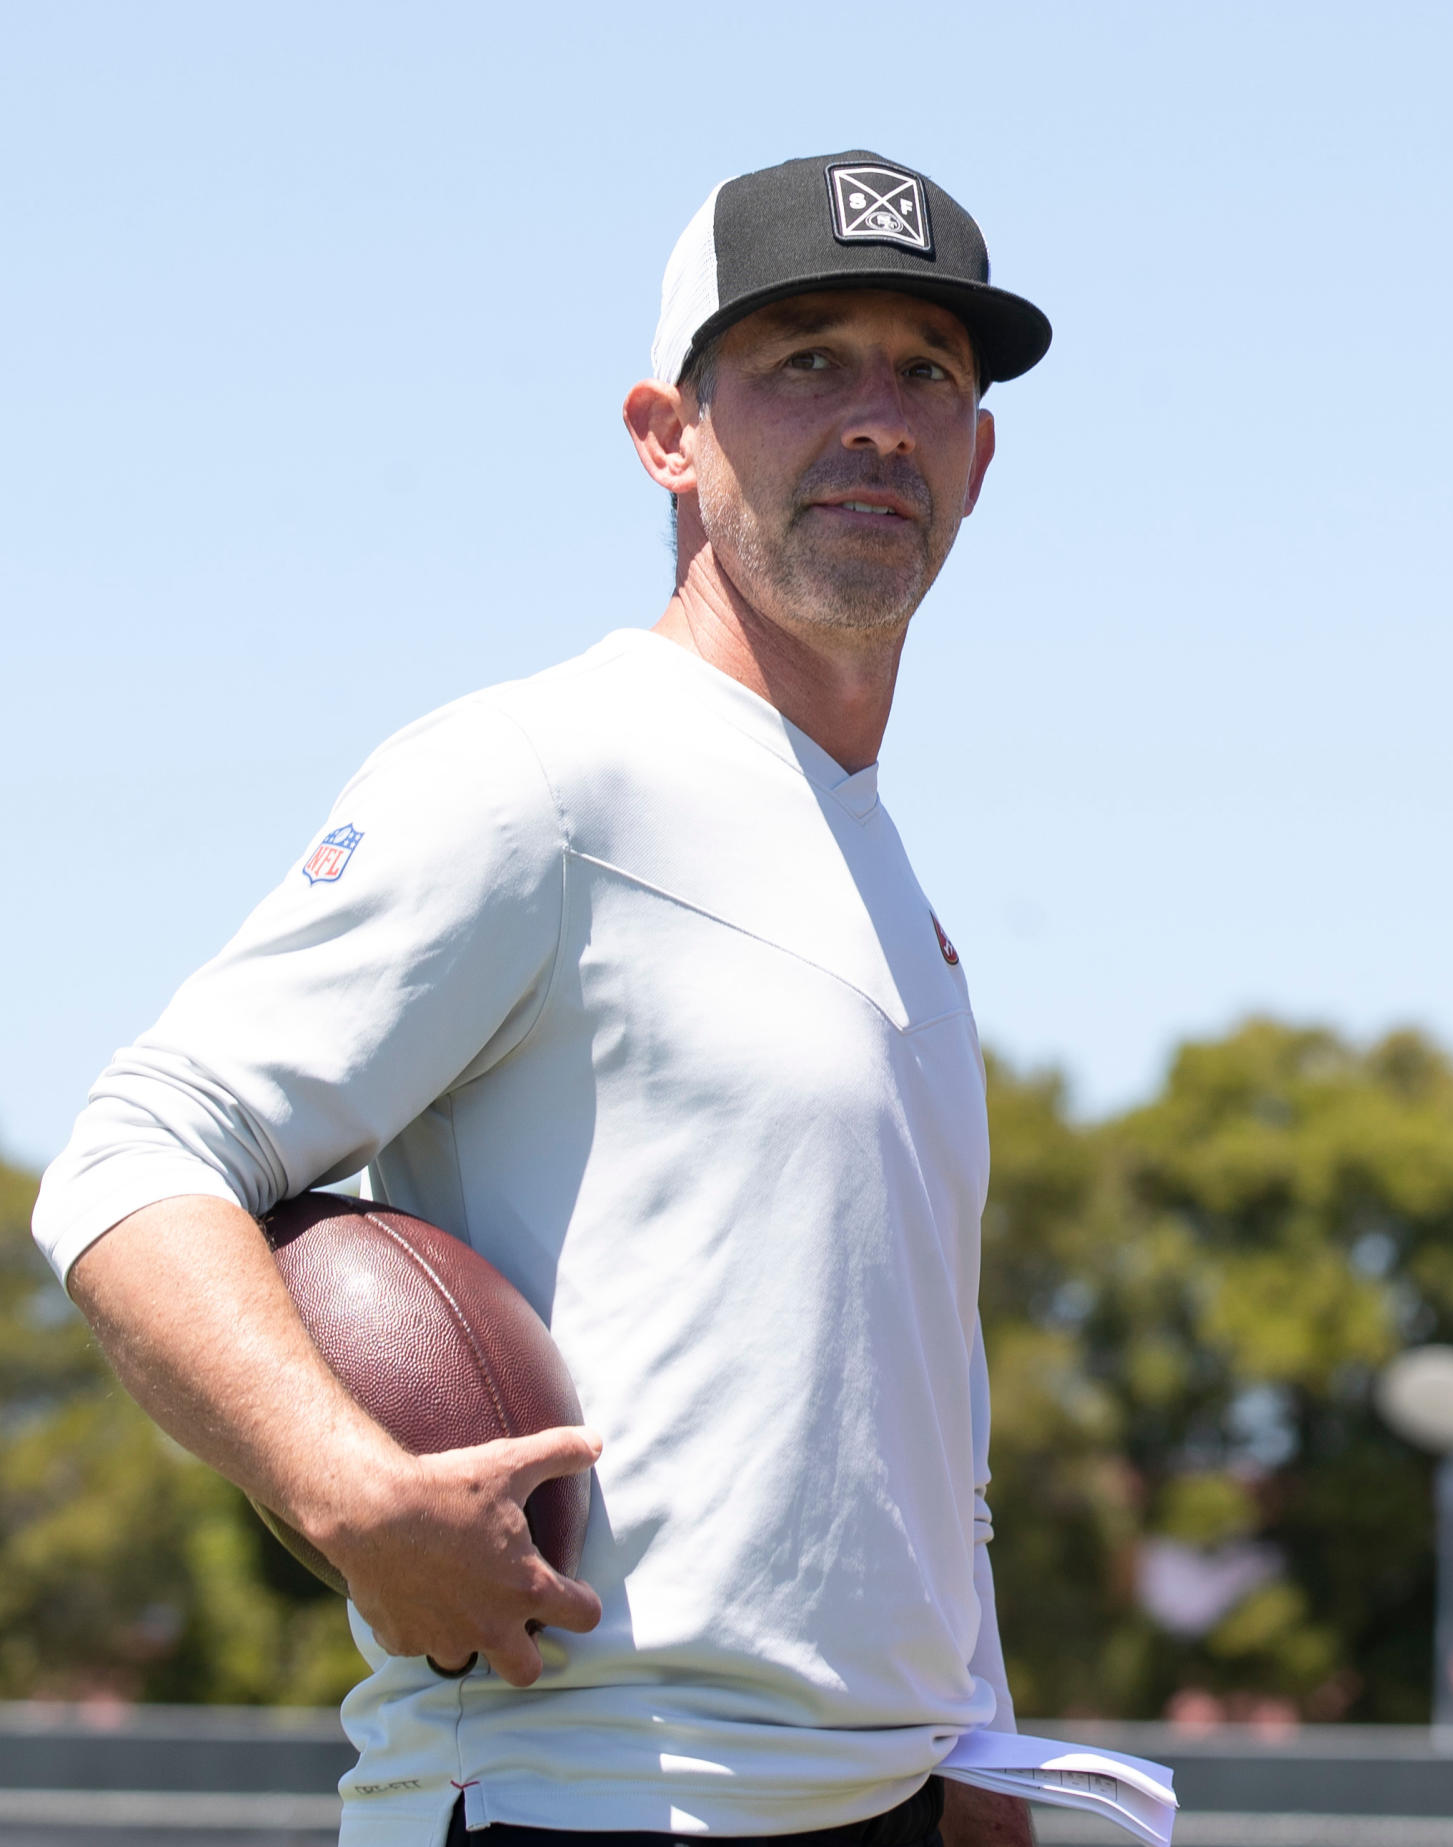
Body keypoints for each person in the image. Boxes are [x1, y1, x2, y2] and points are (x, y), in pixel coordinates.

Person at [34, 150, 1053, 1847]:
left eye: (928, 373)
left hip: (879, 1804)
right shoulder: (539, 777)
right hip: (568, 1797)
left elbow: (910, 1421)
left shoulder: (902, 903)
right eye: (807, 359)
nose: (879, 416)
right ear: (669, 433)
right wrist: (347, 1490)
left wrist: (982, 1763)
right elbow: (133, 1155)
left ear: (979, 456)